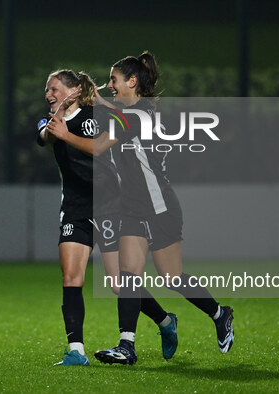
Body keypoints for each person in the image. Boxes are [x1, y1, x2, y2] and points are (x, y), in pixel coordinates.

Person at [46, 52, 234, 366]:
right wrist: (84, 99)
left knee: (172, 277)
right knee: (127, 276)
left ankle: (219, 313)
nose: (109, 86)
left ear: (132, 82)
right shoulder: (124, 111)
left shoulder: (141, 115)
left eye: (114, 80)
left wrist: (66, 134)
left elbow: (98, 146)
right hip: (131, 208)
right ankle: (126, 346)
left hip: (159, 206)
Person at [37, 69, 178, 366]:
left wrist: (100, 103)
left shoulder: (98, 115)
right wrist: (60, 112)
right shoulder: (51, 121)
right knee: (71, 278)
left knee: (118, 283)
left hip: (112, 205)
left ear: (74, 88)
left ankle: (165, 321)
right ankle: (76, 350)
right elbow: (46, 136)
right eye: (46, 90)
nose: (48, 94)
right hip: (75, 209)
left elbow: (128, 122)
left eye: (54, 88)